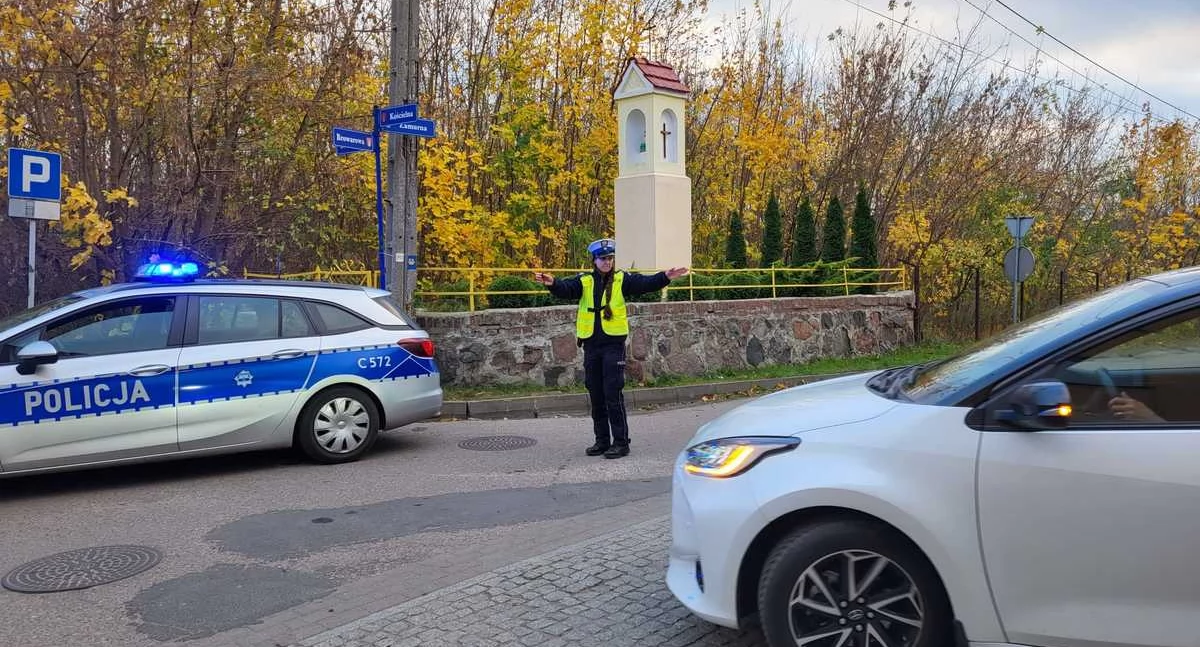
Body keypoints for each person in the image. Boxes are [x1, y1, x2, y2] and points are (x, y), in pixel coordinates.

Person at [533, 238, 688, 458]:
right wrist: (552, 283)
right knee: (595, 393)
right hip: (591, 345)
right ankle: (602, 441)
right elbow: (566, 289)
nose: (607, 262)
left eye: (610, 258)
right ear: (594, 261)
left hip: (613, 344)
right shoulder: (584, 281)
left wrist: (665, 277)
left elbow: (644, 284)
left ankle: (621, 442)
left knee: (612, 392)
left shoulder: (622, 279)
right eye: (603, 258)